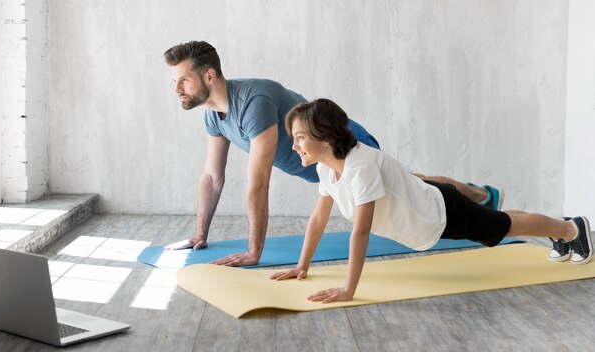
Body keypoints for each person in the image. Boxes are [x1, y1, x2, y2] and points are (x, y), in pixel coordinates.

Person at [163, 40, 504, 266]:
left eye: (184, 80)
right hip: (319, 168)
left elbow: (258, 184)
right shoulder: (213, 115)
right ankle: (477, 195)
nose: (177, 89)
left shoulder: (254, 101)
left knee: (413, 189)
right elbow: (212, 176)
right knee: (412, 183)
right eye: (175, 82)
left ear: (209, 75)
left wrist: (255, 252)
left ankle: (479, 196)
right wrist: (200, 234)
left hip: (346, 146)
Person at [269, 98, 592, 303]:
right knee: (499, 220)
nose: (295, 147)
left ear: (325, 136)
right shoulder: (329, 170)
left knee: (501, 226)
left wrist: (348, 290)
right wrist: (302, 265)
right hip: (428, 213)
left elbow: (361, 233)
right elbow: (317, 220)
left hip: (440, 213)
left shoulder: (360, 167)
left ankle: (570, 230)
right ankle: (559, 228)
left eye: (300, 138)